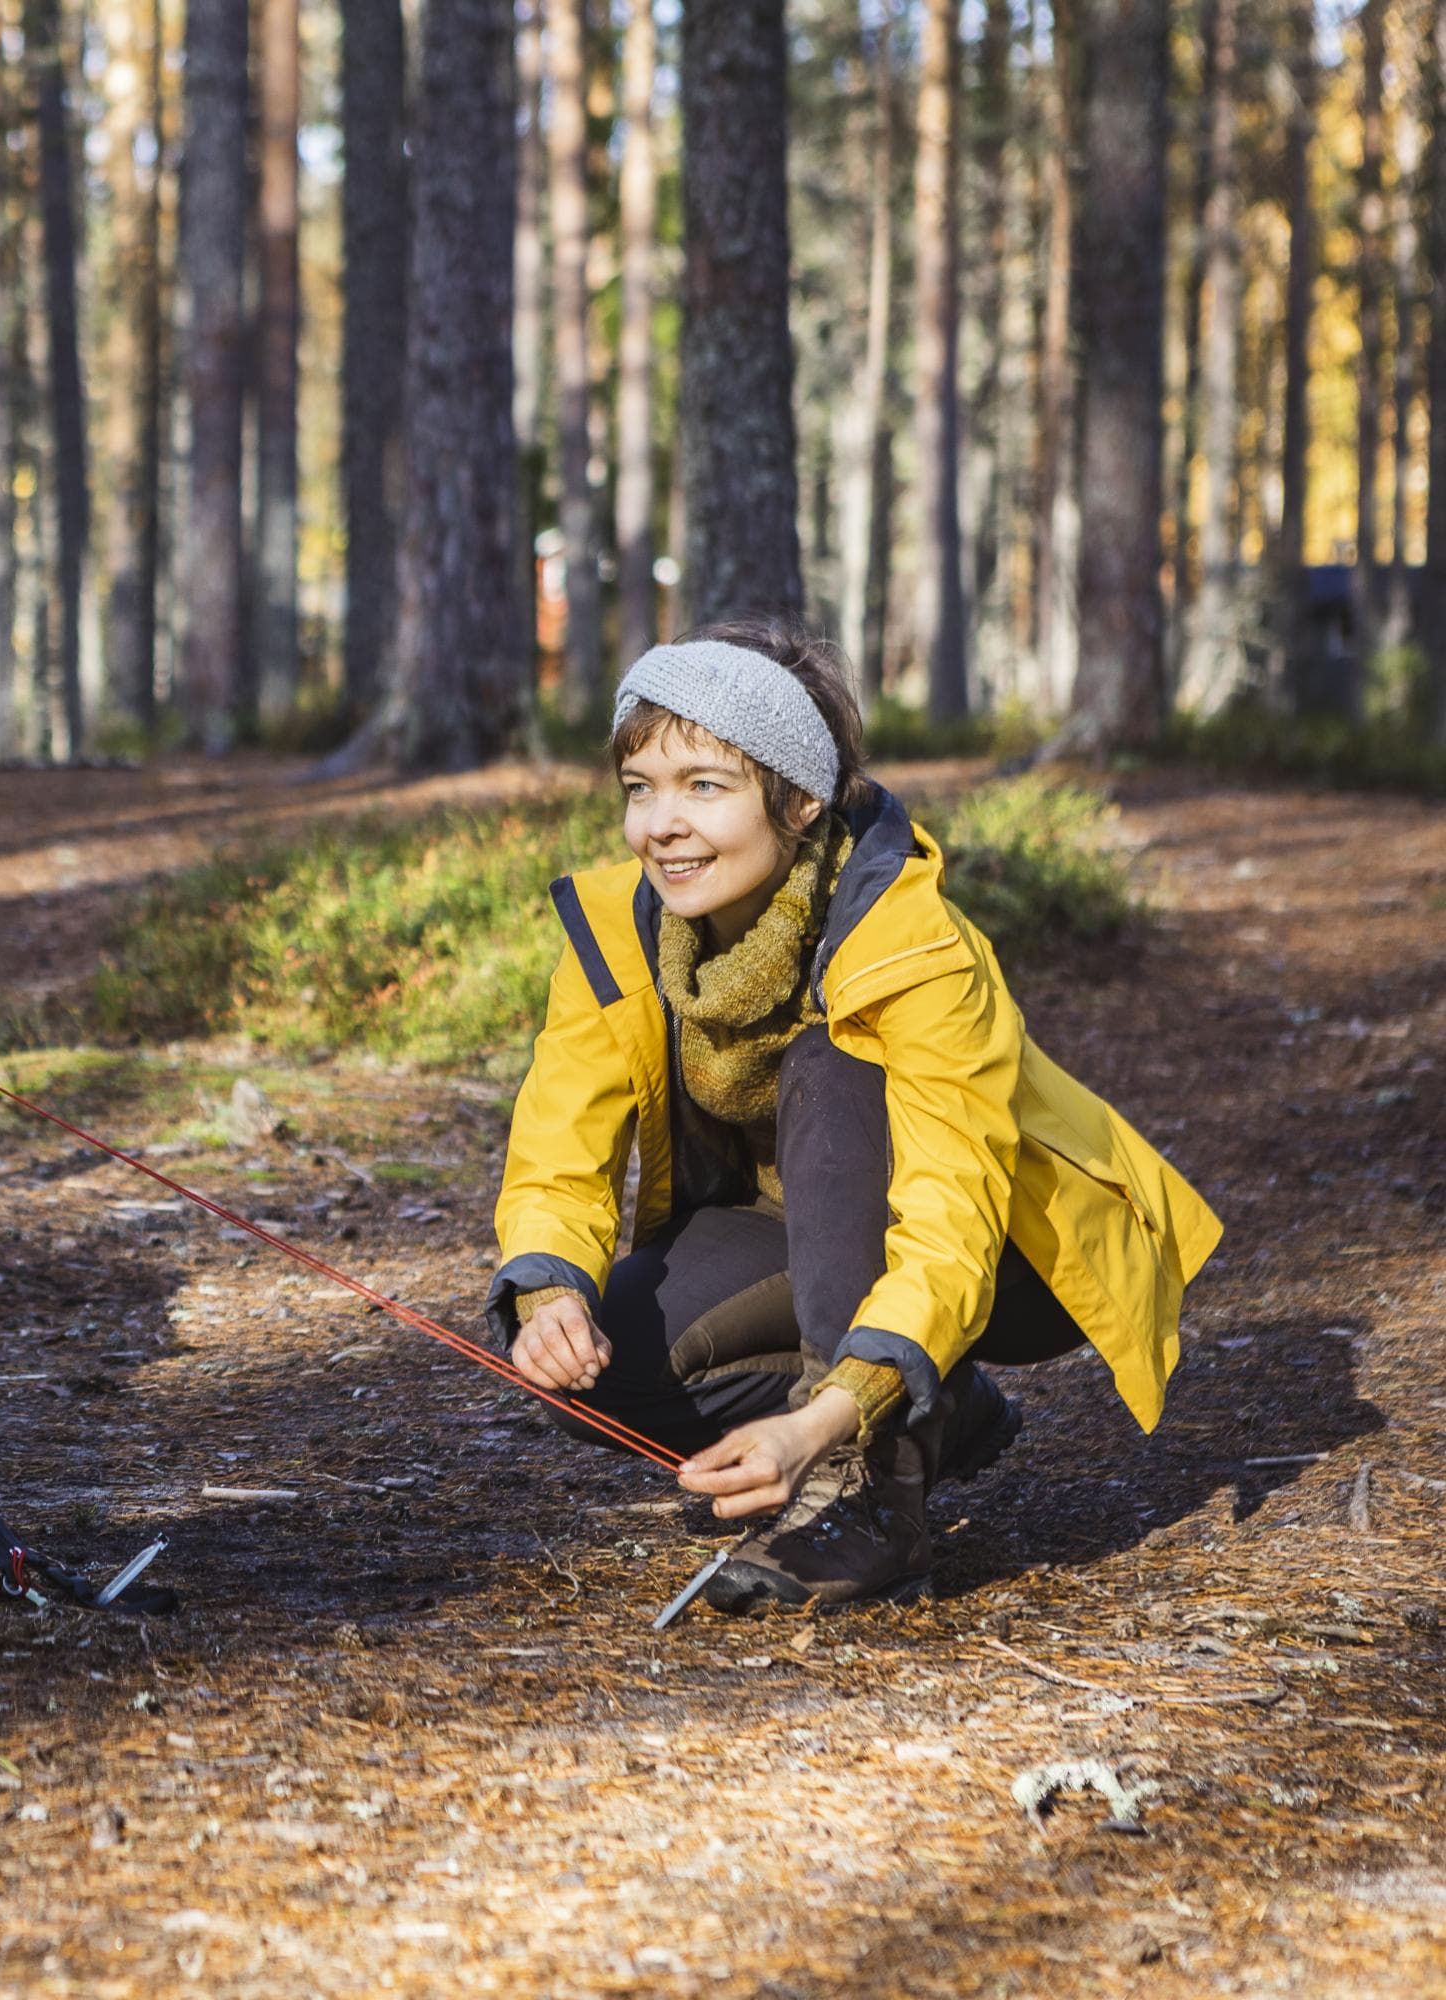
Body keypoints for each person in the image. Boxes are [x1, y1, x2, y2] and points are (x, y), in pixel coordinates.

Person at [487, 618, 1221, 1614]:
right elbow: (557, 1144)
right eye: (640, 786)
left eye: (704, 785)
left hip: (1009, 1251)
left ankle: (869, 1496)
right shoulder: (619, 927)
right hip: (794, 1232)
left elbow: (954, 1208)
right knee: (593, 1367)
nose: (659, 822)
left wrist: (822, 1423)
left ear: (796, 800)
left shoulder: (908, 937)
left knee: (831, 1059)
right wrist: (548, 1294)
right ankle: (941, 1409)